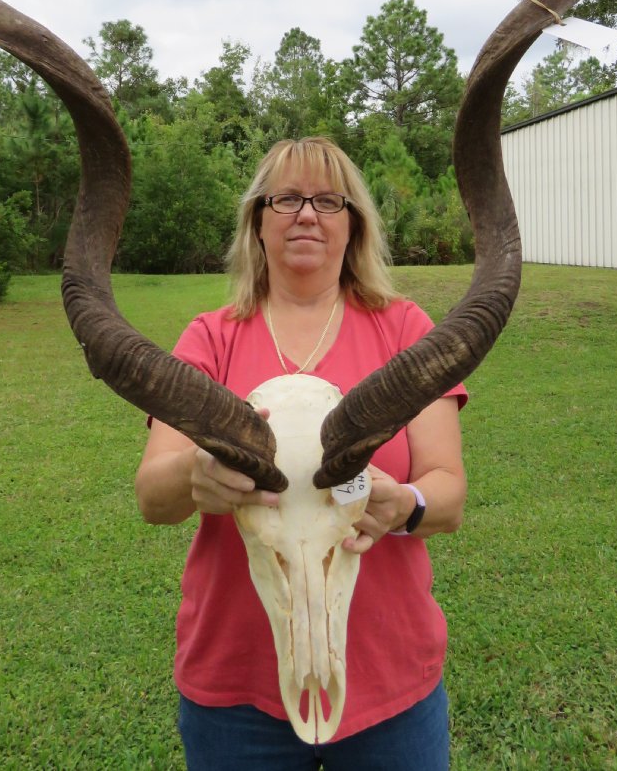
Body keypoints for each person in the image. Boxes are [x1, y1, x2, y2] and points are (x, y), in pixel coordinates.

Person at [135, 136, 468, 771]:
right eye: (286, 199)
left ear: (354, 224)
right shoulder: (210, 338)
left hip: (390, 678)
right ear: (258, 223)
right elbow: (153, 496)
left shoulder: (405, 331)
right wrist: (195, 476)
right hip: (235, 687)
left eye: (328, 200)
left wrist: (404, 504)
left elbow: (447, 491)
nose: (307, 214)